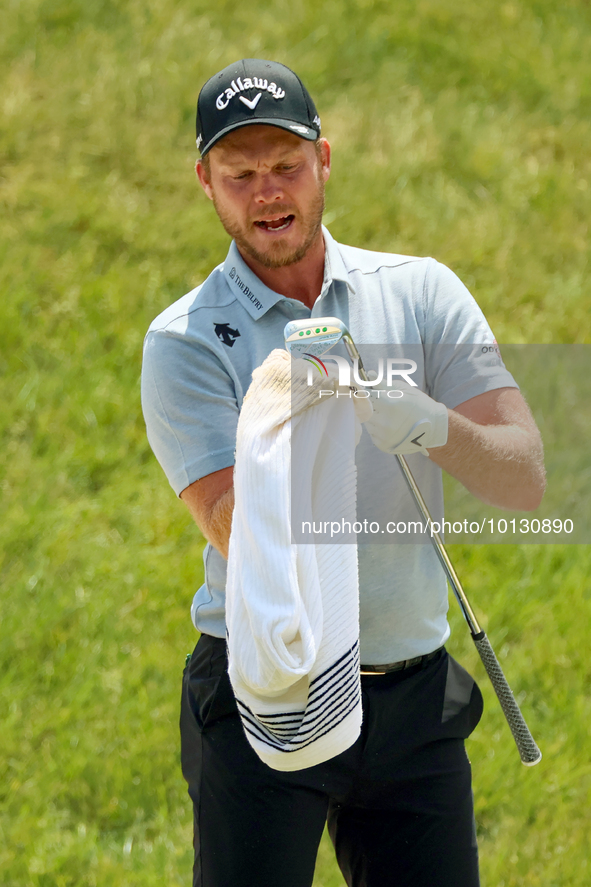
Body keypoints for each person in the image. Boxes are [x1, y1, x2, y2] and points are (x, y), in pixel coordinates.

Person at [141, 58, 545, 887]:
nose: (265, 191)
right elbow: (235, 529)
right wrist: (296, 415)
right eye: (239, 173)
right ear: (205, 184)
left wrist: (432, 425)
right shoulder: (182, 341)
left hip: (412, 694)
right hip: (266, 690)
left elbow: (522, 479)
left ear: (323, 161)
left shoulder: (421, 293)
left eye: (284, 165)